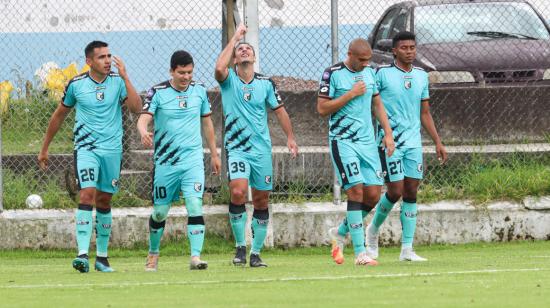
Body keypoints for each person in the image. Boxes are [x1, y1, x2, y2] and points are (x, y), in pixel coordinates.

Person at [38, 41, 142, 272]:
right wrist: (45, 147)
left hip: (113, 151)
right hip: (86, 149)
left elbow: (137, 107)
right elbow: (59, 116)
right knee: (87, 194)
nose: (107, 61)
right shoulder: (76, 84)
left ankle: (102, 258)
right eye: (102, 57)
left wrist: (126, 77)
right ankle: (82, 255)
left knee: (104, 200)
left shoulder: (117, 82)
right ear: (89, 61)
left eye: (109, 56)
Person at [215, 23, 298, 267]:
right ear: (235, 57)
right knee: (238, 192)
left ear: (254, 56)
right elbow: (219, 67)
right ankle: (240, 247)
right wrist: (235, 38)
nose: (244, 51)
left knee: (261, 199)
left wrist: (290, 138)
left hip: (261, 150)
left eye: (247, 49)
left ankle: (256, 252)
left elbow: (280, 112)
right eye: (240, 50)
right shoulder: (228, 80)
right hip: (237, 148)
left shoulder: (266, 84)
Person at [365, 31, 448, 261]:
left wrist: (438, 142)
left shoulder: (422, 76)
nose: (409, 51)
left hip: (413, 144)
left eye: (412, 47)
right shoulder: (381, 74)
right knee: (395, 191)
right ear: (394, 50)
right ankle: (372, 231)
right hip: (389, 142)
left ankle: (407, 250)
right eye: (404, 48)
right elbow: (372, 104)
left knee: (411, 191)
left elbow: (425, 113)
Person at [138, 50, 221, 271]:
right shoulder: (157, 92)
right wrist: (143, 130)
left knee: (195, 205)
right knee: (160, 212)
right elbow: (144, 118)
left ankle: (195, 257)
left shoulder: (199, 91)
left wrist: (214, 154)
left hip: (192, 160)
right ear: (172, 71)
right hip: (166, 162)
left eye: (189, 72)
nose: (186, 77)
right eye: (181, 73)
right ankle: (153, 253)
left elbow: (207, 124)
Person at [318, 38, 395, 266]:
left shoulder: (370, 73)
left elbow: (377, 103)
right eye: (361, 60)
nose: (365, 63)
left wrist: (388, 133)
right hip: (344, 142)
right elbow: (322, 109)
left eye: (367, 60)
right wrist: (350, 94)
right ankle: (360, 253)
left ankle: (340, 233)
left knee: (373, 195)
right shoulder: (332, 73)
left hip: (368, 143)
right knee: (355, 192)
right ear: (350, 54)